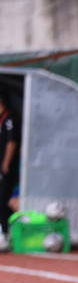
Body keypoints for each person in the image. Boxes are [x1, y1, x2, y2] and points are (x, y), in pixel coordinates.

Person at [0, 91, 21, 235]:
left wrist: (5, 164)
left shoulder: (10, 117)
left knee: (4, 200)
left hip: (6, 170)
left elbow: (12, 142)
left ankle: (7, 232)